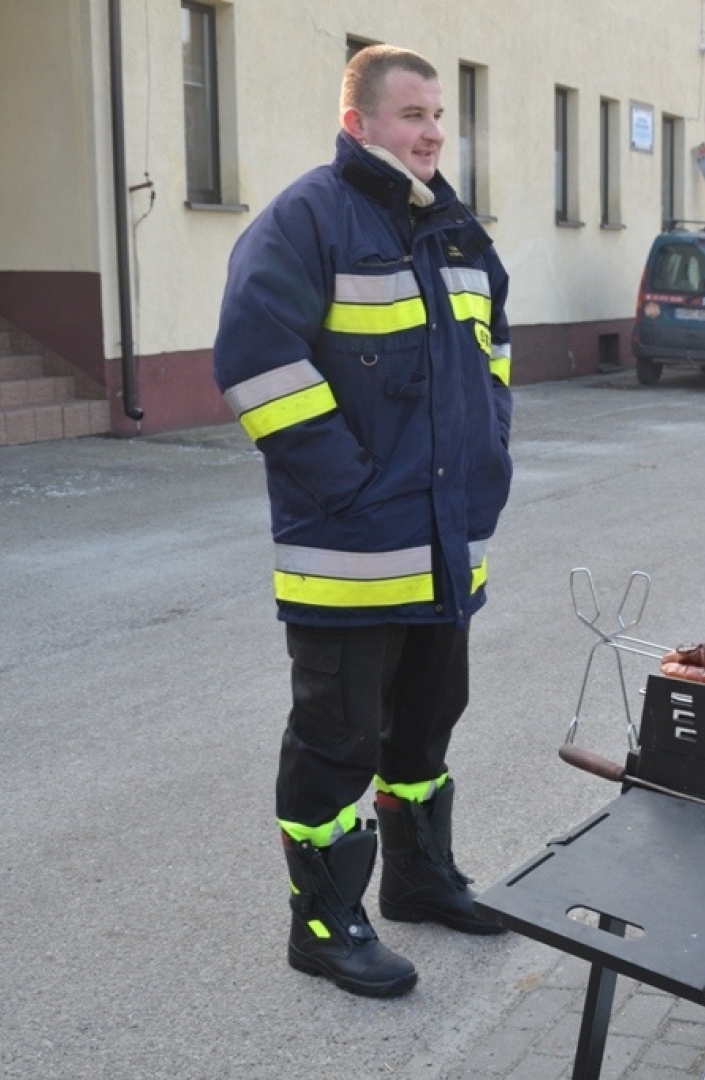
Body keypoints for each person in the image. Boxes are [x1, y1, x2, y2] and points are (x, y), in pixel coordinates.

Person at [213, 44, 514, 999]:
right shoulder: (307, 220)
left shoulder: (458, 232)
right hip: (347, 551)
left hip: (442, 544)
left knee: (426, 727)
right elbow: (256, 362)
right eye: (411, 114)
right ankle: (322, 923)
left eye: (438, 116)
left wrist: (485, 463)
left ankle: (418, 881)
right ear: (358, 124)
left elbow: (492, 360)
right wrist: (346, 484)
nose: (430, 131)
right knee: (335, 742)